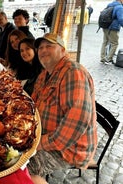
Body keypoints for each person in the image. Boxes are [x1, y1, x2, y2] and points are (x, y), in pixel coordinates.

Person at [28, 33, 97, 179]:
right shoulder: (44, 74)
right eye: (40, 48)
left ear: (63, 50)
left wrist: (37, 143)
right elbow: (31, 106)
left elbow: (76, 124)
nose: (43, 50)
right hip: (43, 136)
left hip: (69, 149)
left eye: (49, 46)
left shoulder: (73, 72)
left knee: (21, 167)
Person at [100, 0, 123, 64]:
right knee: (114, 43)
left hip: (105, 26)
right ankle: (108, 59)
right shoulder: (119, 7)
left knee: (105, 42)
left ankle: (102, 58)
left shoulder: (109, 5)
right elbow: (121, 19)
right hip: (113, 28)